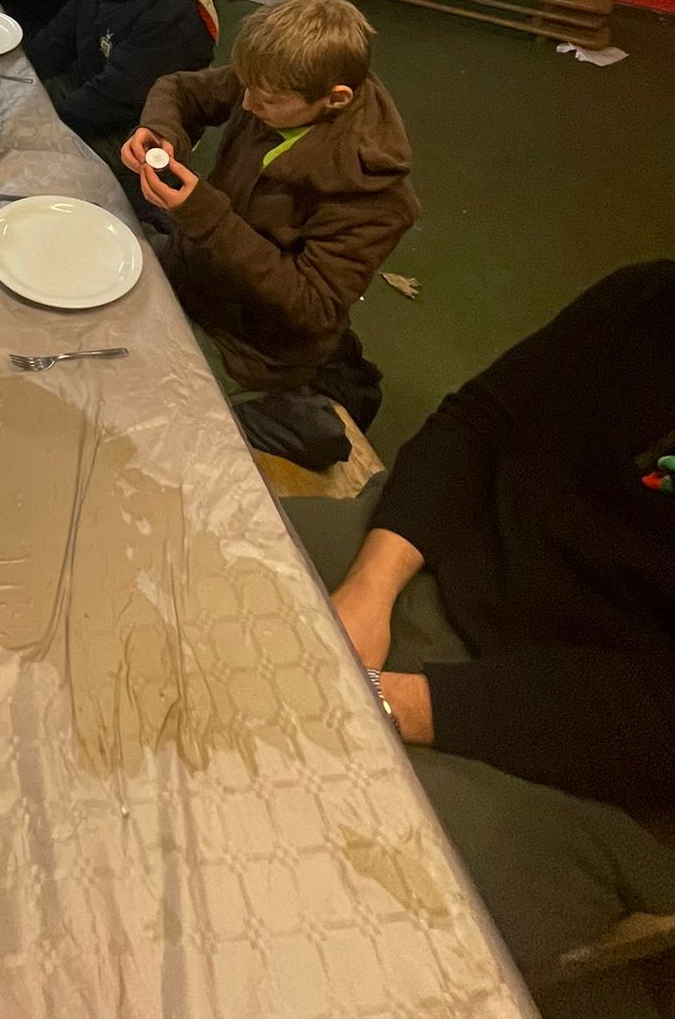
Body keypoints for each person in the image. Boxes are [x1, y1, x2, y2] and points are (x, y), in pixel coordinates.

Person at [286, 262, 675, 987]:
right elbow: (482, 417)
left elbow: (656, 722)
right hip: (438, 566)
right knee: (196, 579)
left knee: (322, 903)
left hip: (591, 768)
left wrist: (389, 702)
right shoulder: (652, 296)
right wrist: (371, 588)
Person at [121, 0, 417, 466]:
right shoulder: (275, 82)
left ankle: (290, 410)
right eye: (246, 86)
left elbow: (312, 305)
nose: (248, 103)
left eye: (268, 100)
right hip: (194, 277)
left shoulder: (373, 196)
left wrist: (207, 217)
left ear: (335, 98)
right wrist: (161, 131)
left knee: (144, 414)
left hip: (249, 346)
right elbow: (179, 89)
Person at [28, 0, 218, 199]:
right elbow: (59, 35)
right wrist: (21, 76)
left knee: (34, 166)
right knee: (6, 105)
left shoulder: (172, 11)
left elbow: (114, 100)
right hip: (88, 89)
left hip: (132, 130)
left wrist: (41, 125)